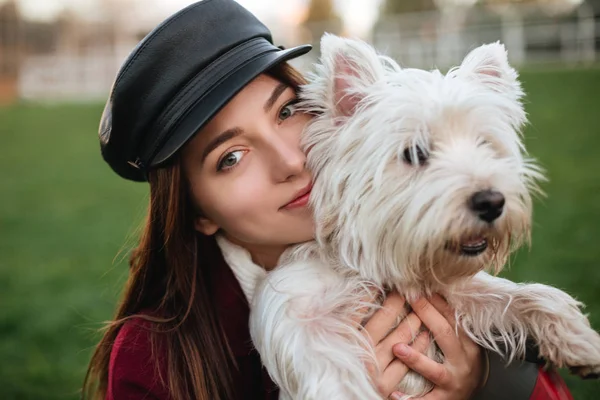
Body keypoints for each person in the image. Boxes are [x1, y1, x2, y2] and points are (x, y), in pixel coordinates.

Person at [83, 1, 573, 399]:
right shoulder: (151, 360)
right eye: (230, 157)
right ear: (198, 214)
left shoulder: (419, 247)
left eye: (287, 110)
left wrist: (482, 382)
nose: (290, 163)